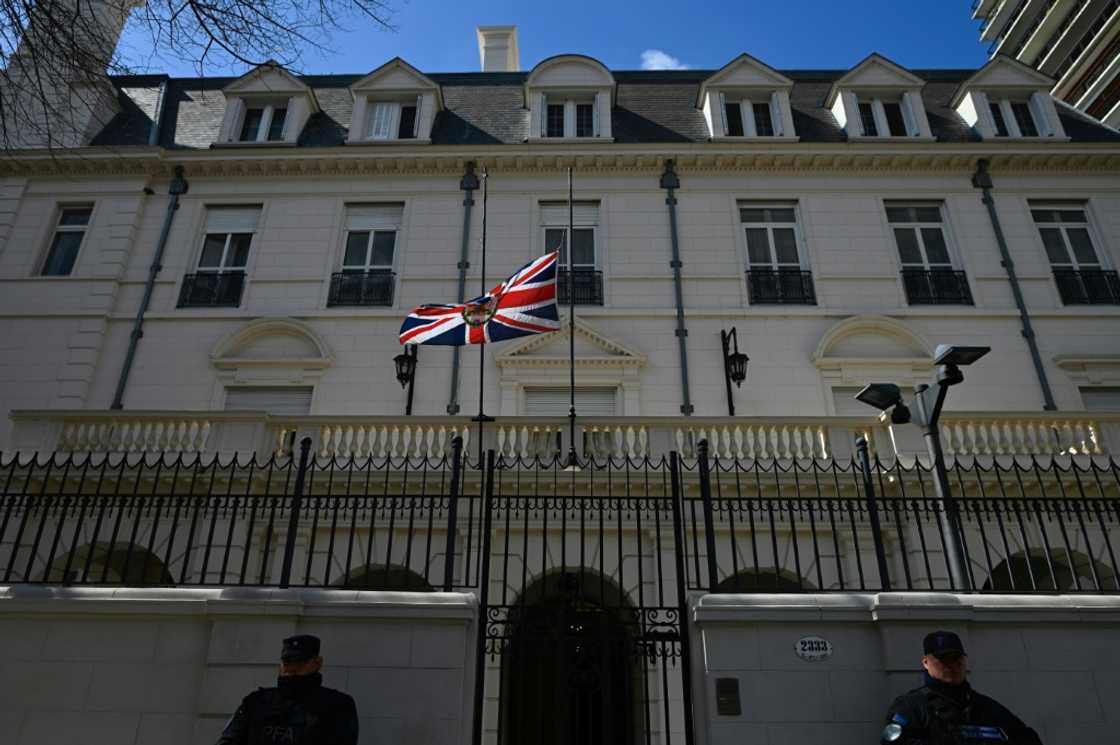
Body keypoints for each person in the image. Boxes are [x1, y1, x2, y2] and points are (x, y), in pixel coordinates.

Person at [882, 631, 1042, 745]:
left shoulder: (985, 705)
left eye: (957, 659)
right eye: (944, 659)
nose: (952, 665)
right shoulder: (910, 706)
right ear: (925, 662)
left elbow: (1027, 738)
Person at [216, 634, 359, 745]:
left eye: (300, 662)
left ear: (317, 663)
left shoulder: (338, 705)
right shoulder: (255, 701)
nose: (292, 667)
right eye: (287, 661)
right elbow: (229, 740)